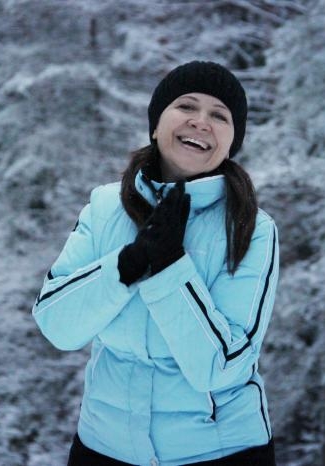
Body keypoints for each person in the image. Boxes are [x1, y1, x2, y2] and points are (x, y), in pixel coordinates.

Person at [32, 61, 279, 465]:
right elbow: (57, 325)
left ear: (232, 141)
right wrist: (128, 264)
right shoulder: (105, 206)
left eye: (219, 116)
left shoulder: (250, 227)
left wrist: (170, 268)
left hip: (219, 452)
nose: (201, 122)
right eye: (186, 106)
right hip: (103, 448)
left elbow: (221, 369)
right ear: (156, 123)